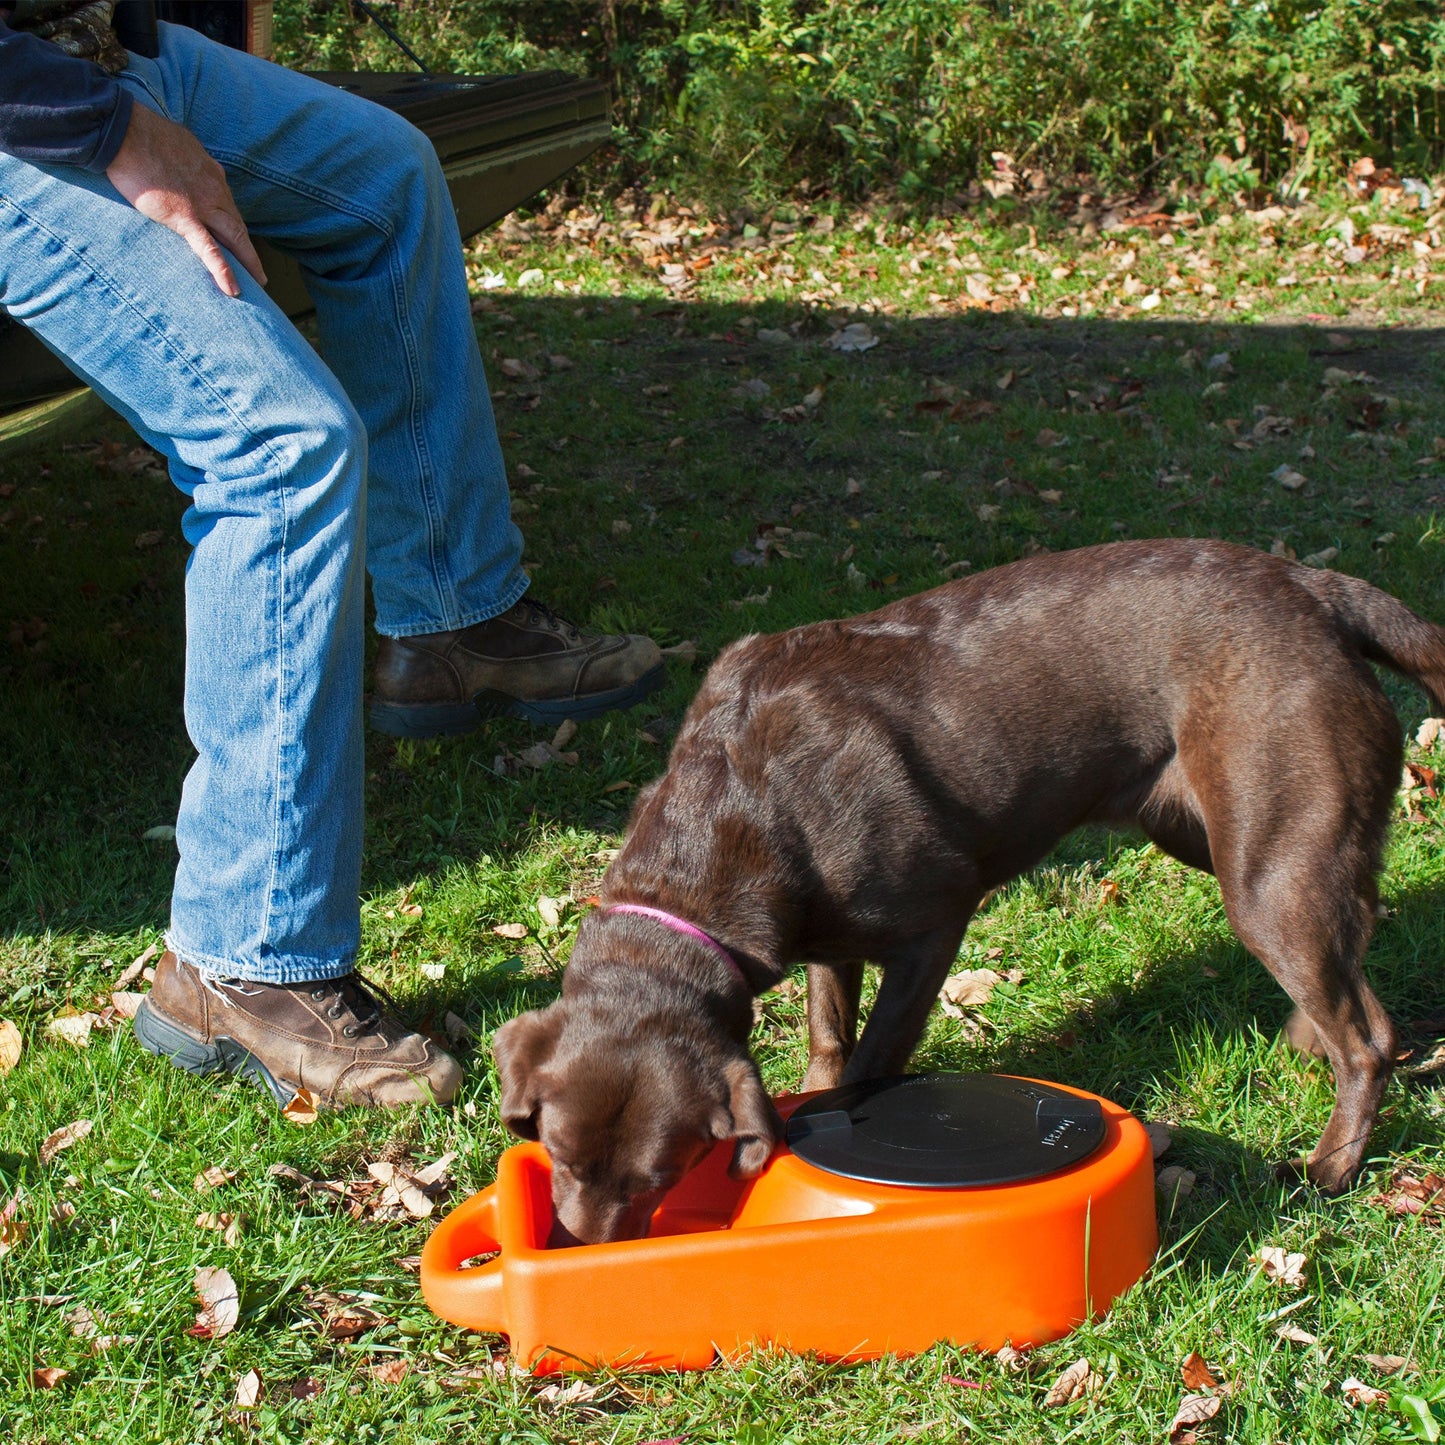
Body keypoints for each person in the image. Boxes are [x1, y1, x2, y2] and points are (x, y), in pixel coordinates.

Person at [0, 2, 664, 1109]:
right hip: (30, 107)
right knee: (279, 445)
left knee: (387, 176)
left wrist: (179, 45)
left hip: (98, 49)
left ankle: (449, 616)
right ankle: (242, 954)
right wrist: (116, 131)